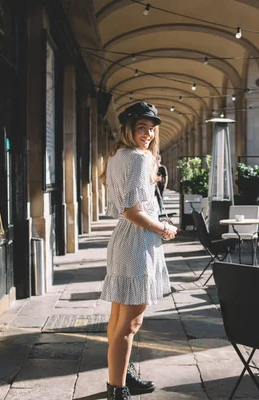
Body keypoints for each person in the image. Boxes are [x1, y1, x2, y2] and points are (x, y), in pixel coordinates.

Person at [99, 102, 178, 400]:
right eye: (141, 127)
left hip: (124, 241)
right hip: (137, 242)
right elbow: (132, 211)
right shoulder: (136, 159)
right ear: (128, 128)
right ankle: (117, 390)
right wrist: (163, 229)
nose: (147, 133)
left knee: (118, 318)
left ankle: (120, 375)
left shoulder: (118, 155)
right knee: (131, 323)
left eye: (151, 128)